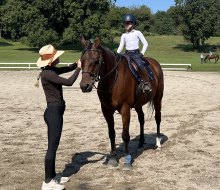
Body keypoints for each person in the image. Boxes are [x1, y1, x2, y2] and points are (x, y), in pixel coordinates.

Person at [36, 44, 81, 190]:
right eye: (56, 57)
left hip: (55, 111)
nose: (59, 58)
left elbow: (66, 69)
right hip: (53, 113)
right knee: (52, 147)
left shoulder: (50, 70)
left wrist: (76, 64)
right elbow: (69, 82)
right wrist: (79, 69)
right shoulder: (48, 74)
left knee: (53, 146)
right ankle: (48, 182)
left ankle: (53, 175)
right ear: (51, 60)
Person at [117, 13, 154, 93]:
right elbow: (121, 46)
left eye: (128, 23)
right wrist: (116, 54)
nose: (126, 25)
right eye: (125, 23)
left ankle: (146, 83)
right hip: (126, 54)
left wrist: (142, 53)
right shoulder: (123, 35)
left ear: (133, 23)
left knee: (140, 65)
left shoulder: (138, 33)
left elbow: (145, 43)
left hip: (136, 54)